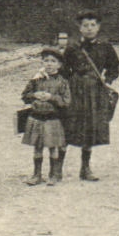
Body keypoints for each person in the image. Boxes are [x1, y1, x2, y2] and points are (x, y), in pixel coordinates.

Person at [62, 12, 119, 182]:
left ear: (98, 27)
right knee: (69, 124)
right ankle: (57, 168)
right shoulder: (72, 48)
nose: (89, 29)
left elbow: (114, 67)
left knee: (89, 127)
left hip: (94, 91)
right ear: (79, 28)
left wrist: (106, 79)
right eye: (85, 25)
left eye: (93, 25)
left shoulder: (105, 47)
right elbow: (64, 69)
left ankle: (85, 168)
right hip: (75, 90)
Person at [21, 48, 71, 186]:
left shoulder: (62, 82)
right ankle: (36, 174)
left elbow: (66, 101)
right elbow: (24, 95)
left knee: (53, 147)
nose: (49, 64)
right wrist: (34, 95)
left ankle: (53, 174)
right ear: (42, 62)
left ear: (59, 65)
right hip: (37, 117)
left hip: (52, 119)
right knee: (37, 147)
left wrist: (52, 97)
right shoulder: (36, 80)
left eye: (53, 61)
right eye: (46, 60)